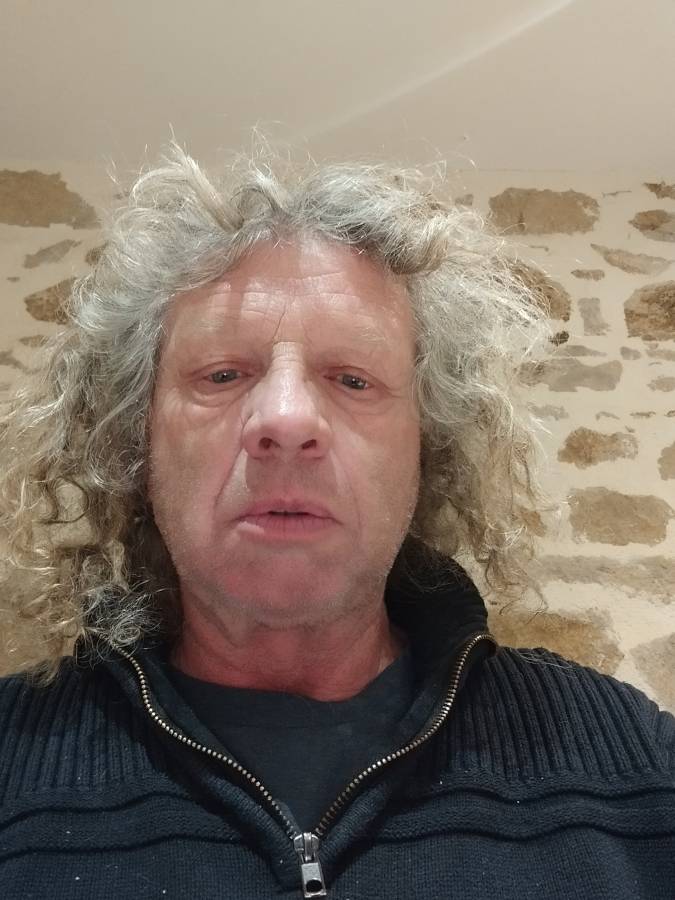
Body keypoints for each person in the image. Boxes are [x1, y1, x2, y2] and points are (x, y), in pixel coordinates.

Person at [0, 143, 672, 900]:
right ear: (138, 440)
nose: (286, 419)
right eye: (222, 374)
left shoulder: (638, 773)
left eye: (353, 379)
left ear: (427, 448)